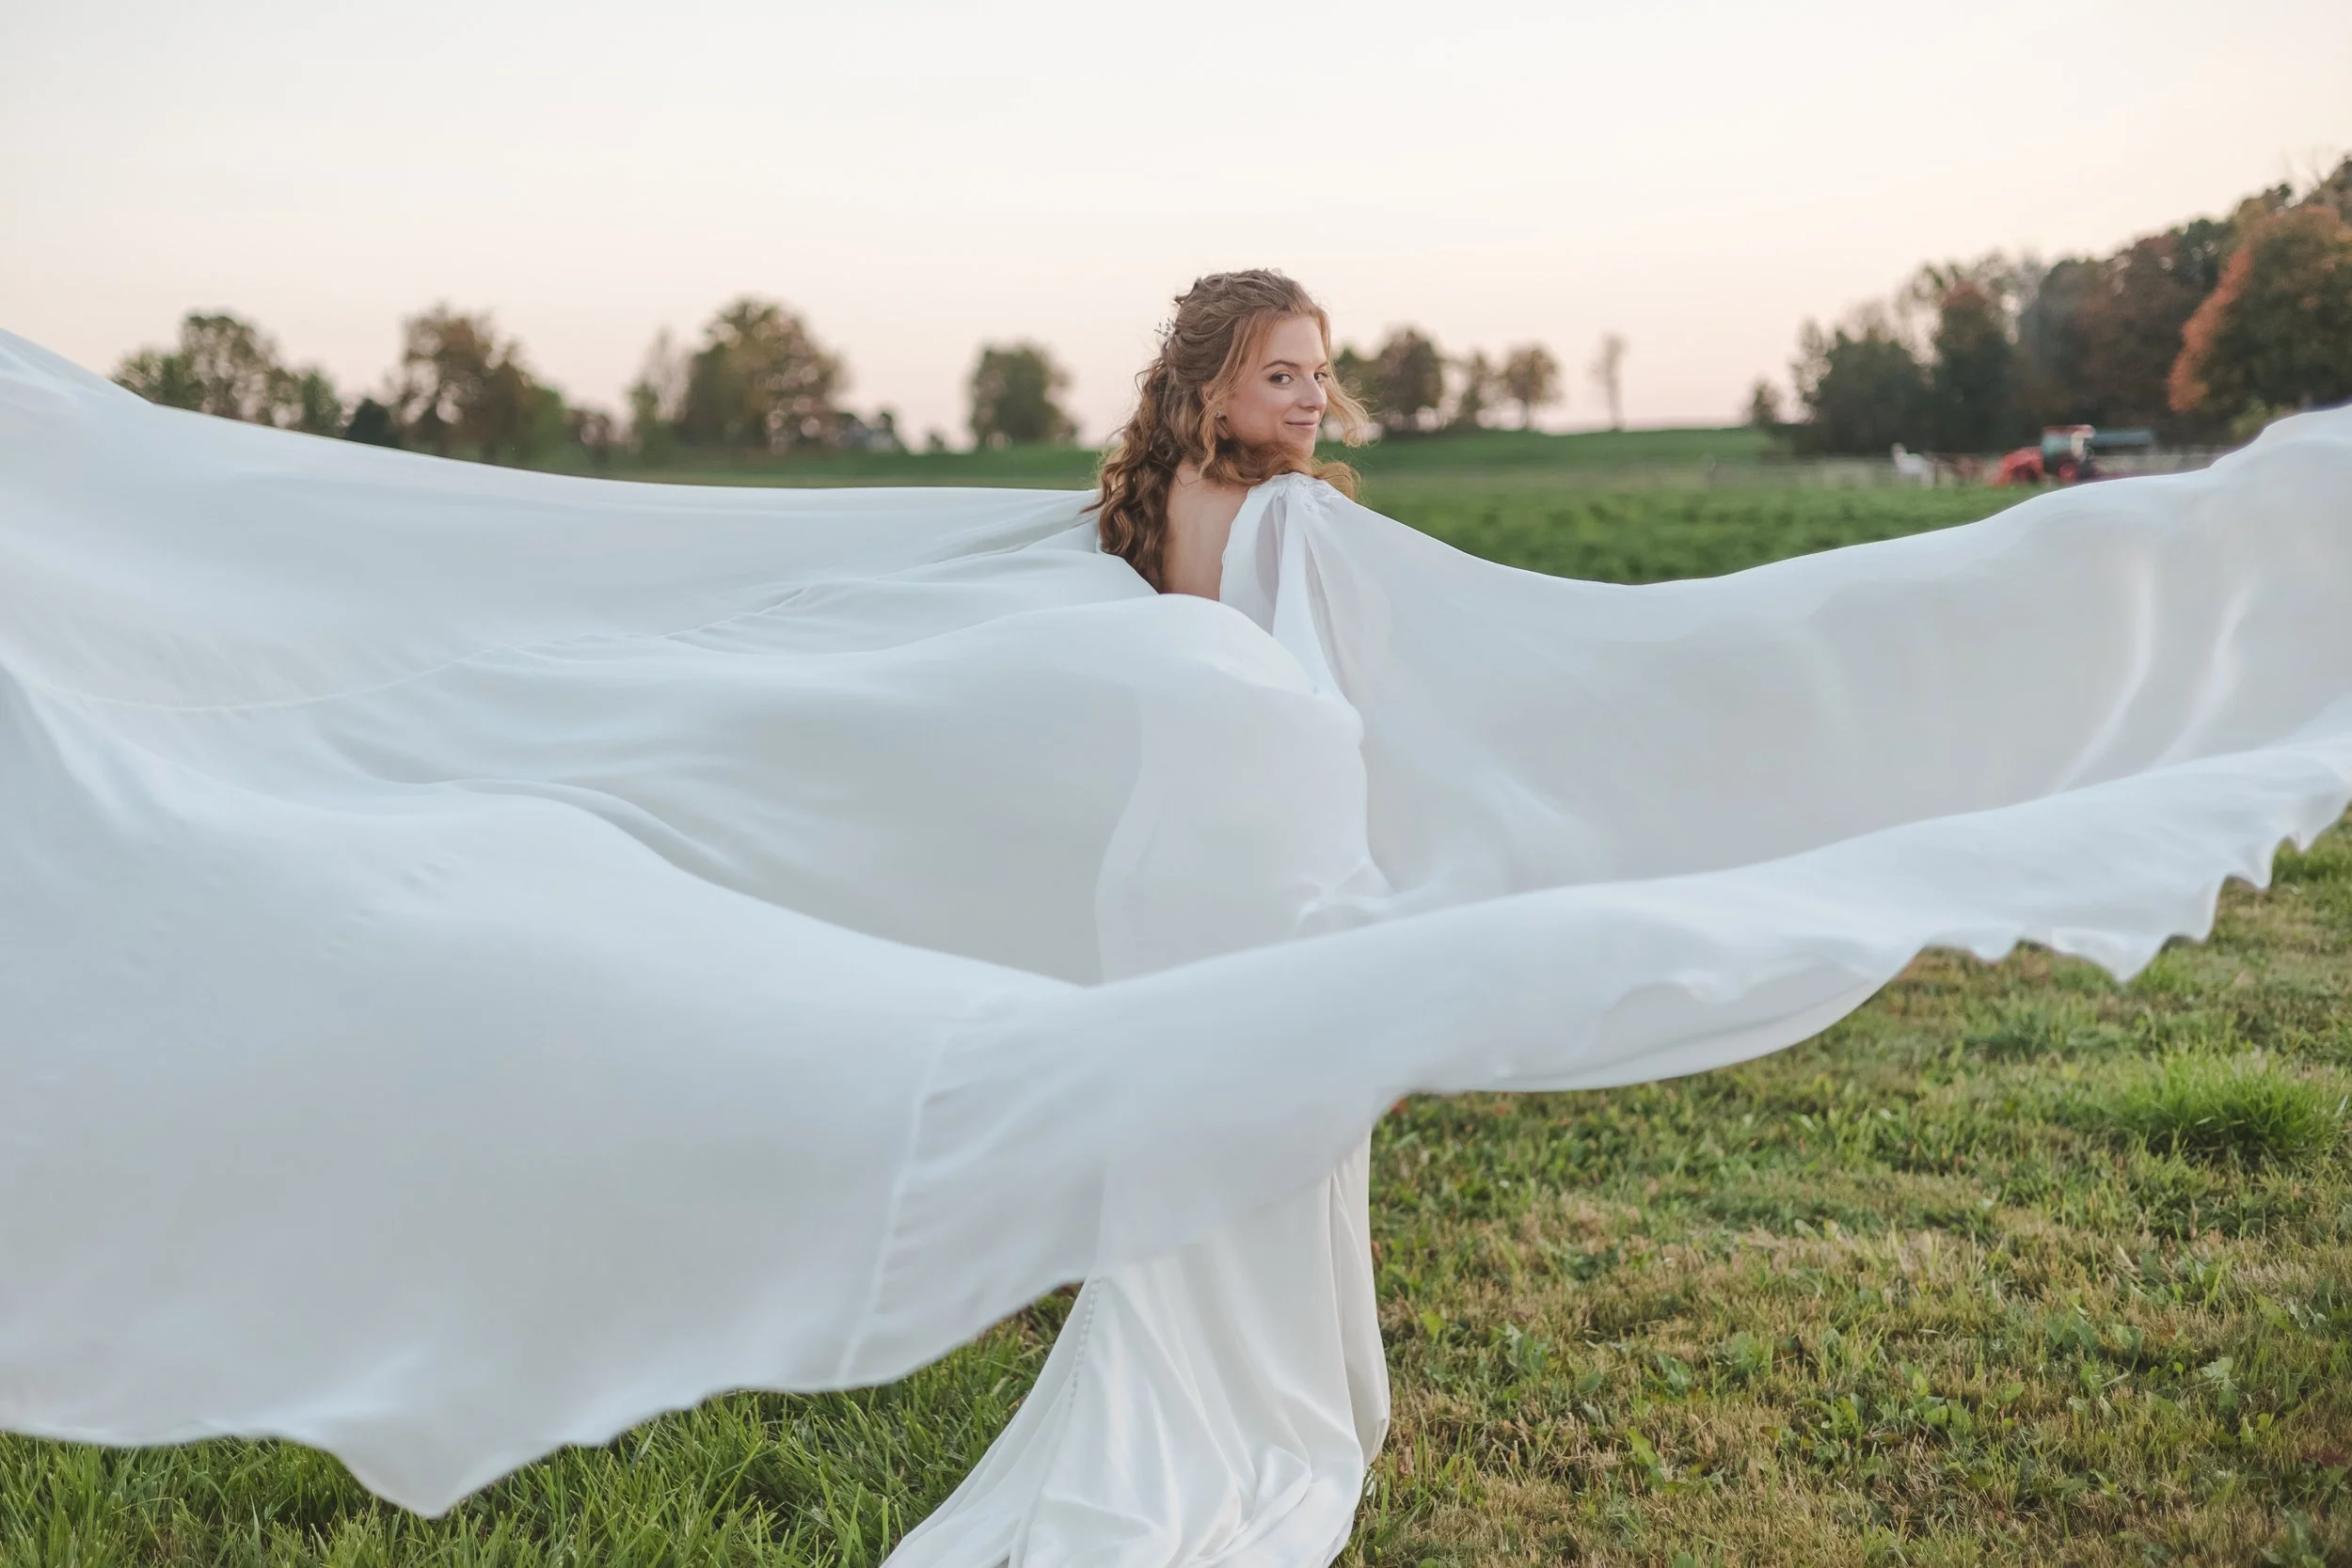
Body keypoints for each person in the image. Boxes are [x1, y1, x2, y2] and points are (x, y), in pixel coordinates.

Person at [1, 275, 2349, 1568]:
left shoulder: (1258, 538)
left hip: (1254, 901)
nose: (1319, 401)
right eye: (1284, 371)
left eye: (1330, 373)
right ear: (1206, 387)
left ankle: (1267, 1410)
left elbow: (1433, 691)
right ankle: (1200, 1430)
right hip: (1198, 908)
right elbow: (1085, 699)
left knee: (1261, 1170)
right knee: (1196, 1172)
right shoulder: (1136, 542)